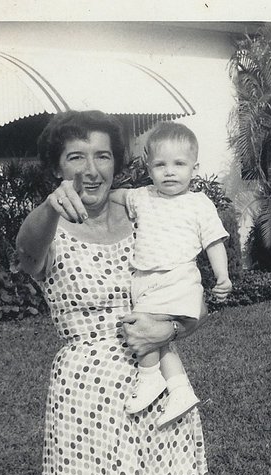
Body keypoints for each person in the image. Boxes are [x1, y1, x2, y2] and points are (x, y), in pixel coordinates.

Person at [16, 110, 216, 475]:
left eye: (102, 156)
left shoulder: (144, 216)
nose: (91, 170)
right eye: (76, 157)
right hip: (87, 398)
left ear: (116, 164)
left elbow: (196, 301)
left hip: (158, 385)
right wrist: (50, 208)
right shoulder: (48, 229)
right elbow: (26, 251)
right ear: (56, 166)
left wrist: (170, 328)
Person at [108, 122, 231, 428]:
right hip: (146, 280)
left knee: (140, 326)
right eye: (160, 165)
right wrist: (95, 193)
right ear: (149, 169)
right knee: (159, 340)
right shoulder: (143, 197)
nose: (169, 172)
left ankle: (150, 378)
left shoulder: (198, 204)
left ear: (194, 168)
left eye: (179, 164)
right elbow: (117, 196)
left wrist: (223, 276)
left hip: (178, 277)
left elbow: (213, 242)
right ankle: (179, 389)